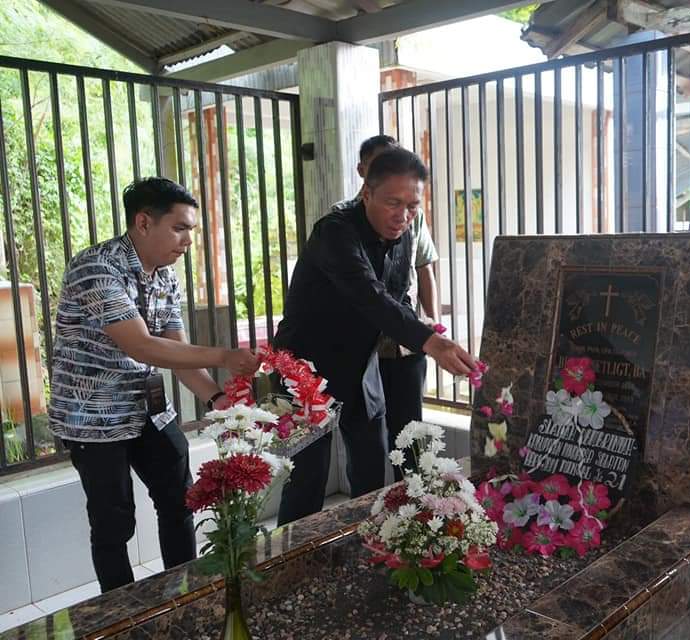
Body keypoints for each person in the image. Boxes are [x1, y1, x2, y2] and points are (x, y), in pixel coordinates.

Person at [49, 177, 260, 593]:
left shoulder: (165, 276)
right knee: (114, 523)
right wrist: (223, 356)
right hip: (94, 418)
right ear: (144, 223)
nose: (187, 241)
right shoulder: (97, 267)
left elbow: (176, 351)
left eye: (191, 231)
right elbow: (142, 346)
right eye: (179, 228)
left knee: (181, 500)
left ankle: (184, 595)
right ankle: (123, 613)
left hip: (148, 408)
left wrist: (217, 398)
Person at [274, 147, 476, 525]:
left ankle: (365, 545)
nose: (403, 216)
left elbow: (397, 300)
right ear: (366, 193)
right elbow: (369, 295)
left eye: (412, 206)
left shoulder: (402, 234)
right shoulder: (334, 231)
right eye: (393, 203)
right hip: (305, 369)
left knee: (371, 469)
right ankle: (292, 558)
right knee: (306, 480)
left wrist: (427, 332)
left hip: (359, 366)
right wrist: (432, 342)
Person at [346, 135, 441, 482]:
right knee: (367, 445)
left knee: (411, 435)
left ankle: (414, 502)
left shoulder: (411, 217)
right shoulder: (343, 221)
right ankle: (367, 508)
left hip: (406, 341)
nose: (402, 213)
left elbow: (424, 267)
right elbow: (366, 294)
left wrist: (432, 324)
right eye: (383, 164)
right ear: (364, 173)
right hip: (362, 346)